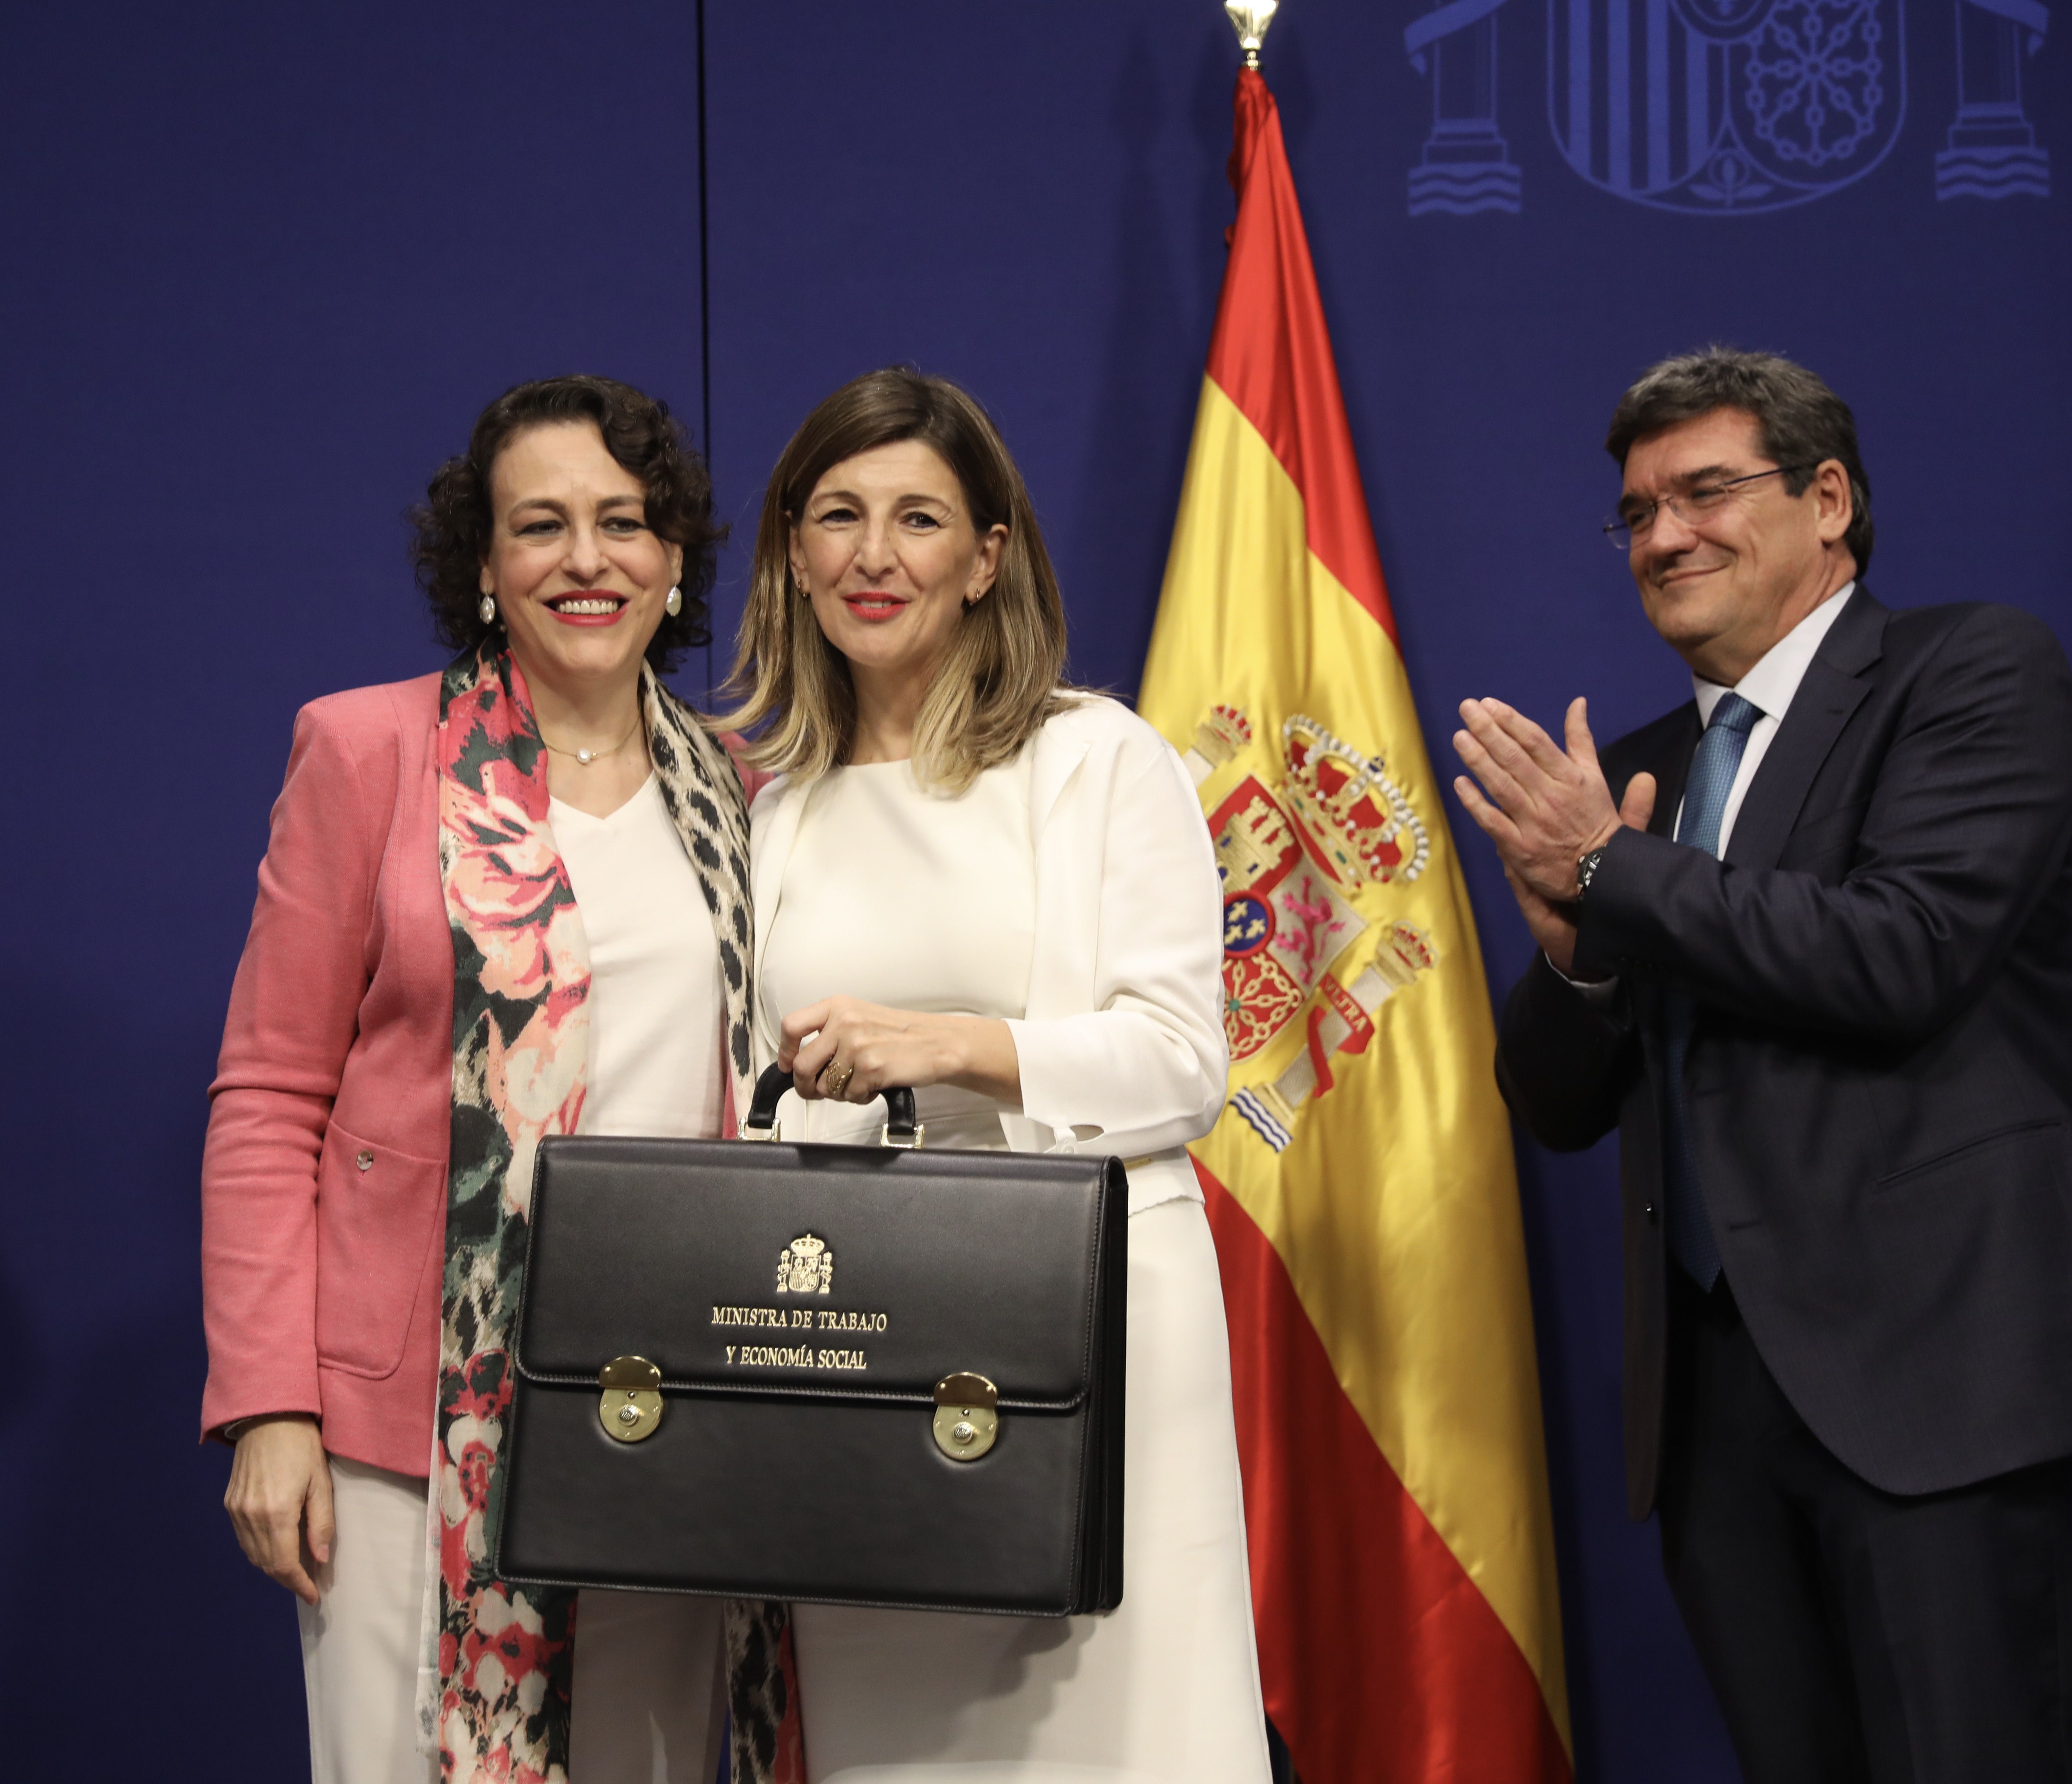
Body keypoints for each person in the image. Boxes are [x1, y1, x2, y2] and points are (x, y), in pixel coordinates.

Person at [1462, 348, 2072, 1782]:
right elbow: (1554, 1108)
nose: (1663, 535)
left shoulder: (1969, 669)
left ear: (1829, 500)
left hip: (1931, 1385)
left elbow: (1898, 953)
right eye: (1635, 512)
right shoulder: (1639, 770)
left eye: (1705, 491)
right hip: (1711, 1418)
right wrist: (1575, 948)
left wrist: (1613, 871)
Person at [200, 375, 792, 1784]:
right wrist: (272, 1410)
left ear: (670, 563)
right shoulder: (367, 752)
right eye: (542, 526)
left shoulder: (742, 784)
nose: (587, 560)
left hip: (662, 1411)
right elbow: (269, 1097)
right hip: (415, 1429)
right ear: (482, 564)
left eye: (625, 524)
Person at [714, 366, 1271, 1783]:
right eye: (836, 515)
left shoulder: (1095, 759)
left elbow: (1180, 1066)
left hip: (1083, 1338)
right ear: (792, 551)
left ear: (986, 558)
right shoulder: (775, 808)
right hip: (865, 1348)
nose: (873, 555)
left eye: (918, 518)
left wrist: (953, 1045)